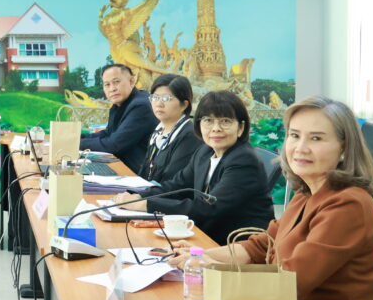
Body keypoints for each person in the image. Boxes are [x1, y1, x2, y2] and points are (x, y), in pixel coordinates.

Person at [168, 97, 373, 300]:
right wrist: (199, 256)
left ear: (345, 148)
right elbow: (261, 246)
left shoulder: (348, 204)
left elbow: (290, 282)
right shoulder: (307, 192)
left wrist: (211, 270)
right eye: (294, 135)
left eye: (316, 138)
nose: (300, 147)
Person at [114, 90, 273, 243]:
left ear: (241, 128)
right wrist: (139, 196)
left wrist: (146, 205)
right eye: (208, 121)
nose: (216, 128)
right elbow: (175, 187)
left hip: (234, 245)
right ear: (199, 124)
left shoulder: (244, 160)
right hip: (205, 234)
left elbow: (209, 208)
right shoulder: (204, 152)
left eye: (225, 121)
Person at [80, 63, 158, 170]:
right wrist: (78, 138)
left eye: (116, 82)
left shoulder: (141, 106)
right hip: (123, 165)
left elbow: (114, 145)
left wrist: (77, 143)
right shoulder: (119, 104)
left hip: (138, 172)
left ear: (132, 81)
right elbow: (108, 133)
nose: (112, 89)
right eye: (107, 84)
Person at [140, 74, 204, 184]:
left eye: (166, 98)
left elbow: (172, 182)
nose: (158, 104)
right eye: (155, 98)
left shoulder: (190, 136)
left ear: (184, 105)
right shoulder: (158, 131)